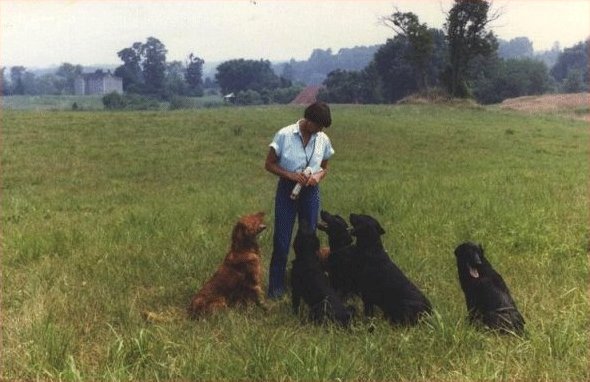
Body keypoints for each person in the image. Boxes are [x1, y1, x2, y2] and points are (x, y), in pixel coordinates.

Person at [264, 101, 334, 299]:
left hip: (310, 192)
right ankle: (276, 289)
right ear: (308, 120)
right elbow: (269, 164)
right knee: (282, 239)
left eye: (322, 128)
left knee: (309, 239)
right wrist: (291, 176)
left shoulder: (322, 139)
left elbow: (325, 166)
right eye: (318, 126)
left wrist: (318, 177)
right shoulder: (285, 135)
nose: (319, 131)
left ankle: (308, 283)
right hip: (288, 190)